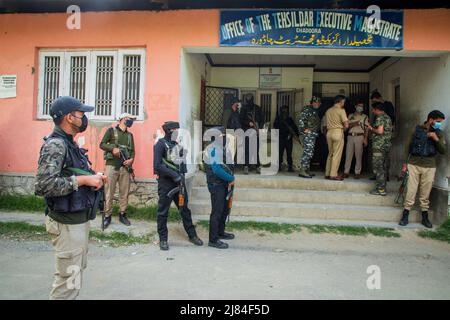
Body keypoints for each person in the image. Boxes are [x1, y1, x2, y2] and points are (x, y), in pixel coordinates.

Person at [35, 96, 106, 300]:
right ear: (69, 117)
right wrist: (83, 180)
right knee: (67, 283)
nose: (84, 118)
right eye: (81, 114)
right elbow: (43, 185)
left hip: (76, 222)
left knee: (74, 275)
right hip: (66, 225)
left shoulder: (69, 143)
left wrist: (94, 178)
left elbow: (71, 173)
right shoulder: (56, 144)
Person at [153, 121, 203, 250]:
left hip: (179, 183)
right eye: (175, 130)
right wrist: (173, 175)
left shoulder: (177, 146)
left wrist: (181, 173)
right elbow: (157, 165)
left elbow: (181, 165)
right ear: (168, 131)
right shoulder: (160, 144)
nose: (177, 133)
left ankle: (192, 235)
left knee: (184, 210)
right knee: (163, 212)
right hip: (166, 184)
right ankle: (163, 239)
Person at [399, 110, 446, 228]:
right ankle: (405, 214)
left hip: (430, 166)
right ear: (431, 120)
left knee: (425, 193)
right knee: (411, 190)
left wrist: (435, 138)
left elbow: (443, 150)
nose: (439, 124)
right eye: (438, 121)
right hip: (413, 164)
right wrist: (405, 163)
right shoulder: (416, 130)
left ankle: (425, 217)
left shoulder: (439, 133)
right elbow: (407, 147)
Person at [99, 113, 136, 228]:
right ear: (124, 119)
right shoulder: (111, 131)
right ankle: (107, 215)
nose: (131, 121)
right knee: (109, 192)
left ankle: (122, 214)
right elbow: (102, 144)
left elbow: (133, 151)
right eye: (130, 119)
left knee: (124, 192)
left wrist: (131, 160)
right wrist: (112, 148)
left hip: (125, 168)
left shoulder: (130, 135)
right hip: (111, 166)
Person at [204, 126, 236, 249]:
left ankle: (220, 232)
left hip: (223, 184)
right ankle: (213, 239)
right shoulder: (213, 149)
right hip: (217, 184)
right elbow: (216, 169)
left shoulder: (220, 148)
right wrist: (231, 179)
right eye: (223, 136)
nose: (225, 138)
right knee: (217, 212)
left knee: (224, 210)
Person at [367, 102, 392, 196]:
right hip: (386, 146)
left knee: (378, 168)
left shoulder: (380, 118)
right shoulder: (388, 117)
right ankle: (383, 188)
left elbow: (380, 131)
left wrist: (370, 128)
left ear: (377, 109)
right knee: (384, 167)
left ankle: (381, 189)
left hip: (379, 146)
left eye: (373, 109)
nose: (373, 111)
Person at [370, 91, 396, 180]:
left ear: (379, 98)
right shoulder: (383, 116)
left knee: (380, 160)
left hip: (382, 138)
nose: (374, 104)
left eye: (374, 101)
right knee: (382, 159)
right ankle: (381, 176)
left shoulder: (385, 111)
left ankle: (382, 178)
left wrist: (371, 128)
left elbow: (380, 130)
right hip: (383, 138)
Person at [324, 95, 349, 181]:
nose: (344, 103)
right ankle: (333, 174)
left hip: (329, 132)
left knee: (330, 153)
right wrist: (344, 129)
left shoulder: (328, 110)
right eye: (344, 102)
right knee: (336, 154)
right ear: (340, 101)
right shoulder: (341, 110)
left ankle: (327, 173)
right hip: (338, 132)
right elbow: (346, 124)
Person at [343, 101, 369, 179]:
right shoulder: (350, 115)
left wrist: (365, 138)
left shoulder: (365, 117)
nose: (360, 107)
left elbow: (366, 129)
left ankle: (357, 172)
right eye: (359, 106)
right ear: (355, 106)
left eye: (362, 106)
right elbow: (346, 127)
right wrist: (355, 123)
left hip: (360, 136)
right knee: (348, 154)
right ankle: (346, 172)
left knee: (358, 155)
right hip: (350, 136)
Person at [298, 96, 321, 178]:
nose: (317, 104)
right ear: (312, 102)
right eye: (315, 102)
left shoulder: (314, 111)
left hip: (312, 134)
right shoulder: (307, 109)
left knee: (310, 153)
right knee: (307, 153)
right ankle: (302, 171)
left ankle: (306, 170)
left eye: (318, 102)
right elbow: (301, 120)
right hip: (308, 135)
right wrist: (304, 130)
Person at [240, 94, 263, 174]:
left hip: (256, 132)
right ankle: (246, 166)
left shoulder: (257, 108)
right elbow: (241, 120)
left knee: (256, 150)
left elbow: (262, 120)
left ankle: (257, 166)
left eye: (250, 99)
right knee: (247, 149)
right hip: (247, 131)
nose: (249, 101)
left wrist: (258, 127)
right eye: (248, 99)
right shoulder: (243, 109)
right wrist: (248, 123)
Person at [273, 105, 300, 172]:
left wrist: (291, 134)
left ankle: (290, 167)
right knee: (280, 153)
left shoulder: (290, 119)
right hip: (281, 138)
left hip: (288, 139)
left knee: (289, 154)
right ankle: (278, 166)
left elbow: (294, 128)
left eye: (286, 111)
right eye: (283, 111)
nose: (285, 112)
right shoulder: (278, 119)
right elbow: (275, 127)